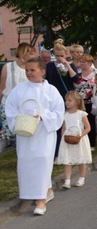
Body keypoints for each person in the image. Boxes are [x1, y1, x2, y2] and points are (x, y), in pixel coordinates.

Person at [4, 58, 65, 215]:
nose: (29, 73)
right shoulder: (19, 90)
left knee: (43, 162)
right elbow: (9, 107)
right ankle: (44, 190)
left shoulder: (51, 90)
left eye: (33, 70)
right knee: (26, 164)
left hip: (44, 133)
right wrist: (21, 118)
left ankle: (41, 200)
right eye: (27, 70)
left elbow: (59, 111)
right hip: (25, 133)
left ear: (42, 71)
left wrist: (43, 116)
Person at [0, 42, 34, 146]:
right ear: (23, 53)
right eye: (31, 53)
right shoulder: (8, 67)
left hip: (25, 105)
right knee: (10, 131)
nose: (33, 56)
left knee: (25, 130)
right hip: (8, 103)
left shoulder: (31, 69)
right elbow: (2, 87)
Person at [58, 91, 92, 188]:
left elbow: (88, 128)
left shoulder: (81, 114)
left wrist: (80, 135)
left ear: (77, 102)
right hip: (68, 139)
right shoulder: (65, 114)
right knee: (67, 160)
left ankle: (81, 178)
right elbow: (64, 128)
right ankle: (67, 180)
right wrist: (62, 138)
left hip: (79, 139)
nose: (67, 102)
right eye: (66, 100)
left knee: (80, 159)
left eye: (70, 100)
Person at [74, 54, 97, 145]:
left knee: (91, 121)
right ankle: (82, 141)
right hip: (80, 101)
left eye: (83, 62)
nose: (81, 63)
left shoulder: (96, 72)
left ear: (90, 63)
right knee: (81, 121)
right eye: (80, 61)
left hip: (92, 101)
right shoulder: (77, 73)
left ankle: (92, 143)